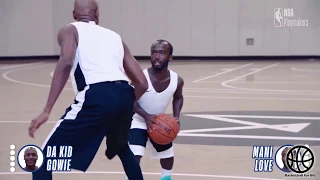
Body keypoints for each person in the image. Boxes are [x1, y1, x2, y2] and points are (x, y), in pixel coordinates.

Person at [28, 0, 148, 179]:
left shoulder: (69, 30)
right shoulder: (115, 36)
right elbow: (142, 83)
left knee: (44, 159)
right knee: (122, 147)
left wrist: (47, 110)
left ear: (74, 15)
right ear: (97, 14)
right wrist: (123, 105)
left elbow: (66, 60)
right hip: (124, 93)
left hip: (96, 95)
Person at [127, 39, 184, 180]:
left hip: (158, 121)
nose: (157, 56)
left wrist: (176, 117)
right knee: (135, 156)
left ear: (170, 57)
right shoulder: (140, 78)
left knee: (167, 156)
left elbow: (178, 97)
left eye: (162, 53)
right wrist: (146, 117)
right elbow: (128, 101)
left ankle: (166, 177)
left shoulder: (177, 80)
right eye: (154, 53)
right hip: (137, 120)